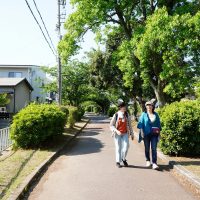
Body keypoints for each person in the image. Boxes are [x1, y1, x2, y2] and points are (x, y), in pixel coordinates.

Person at [137, 101, 161, 170]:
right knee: (147, 148)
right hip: (146, 134)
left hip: (154, 134)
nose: (149, 106)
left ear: (152, 106)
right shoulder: (143, 114)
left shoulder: (156, 114)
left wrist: (159, 134)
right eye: (147, 105)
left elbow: (158, 125)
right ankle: (147, 160)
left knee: (154, 148)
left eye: (150, 105)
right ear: (146, 106)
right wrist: (141, 132)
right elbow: (140, 124)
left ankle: (154, 163)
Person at [110, 101, 134, 168]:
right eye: (123, 106)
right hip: (117, 134)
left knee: (126, 147)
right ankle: (118, 162)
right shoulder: (116, 115)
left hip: (125, 133)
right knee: (118, 148)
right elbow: (111, 125)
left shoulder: (127, 114)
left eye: (125, 106)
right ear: (120, 107)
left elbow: (129, 125)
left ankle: (123, 158)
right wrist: (116, 131)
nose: (125, 107)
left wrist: (132, 134)